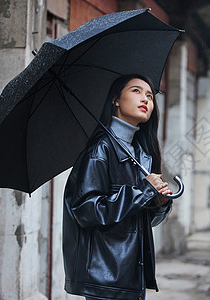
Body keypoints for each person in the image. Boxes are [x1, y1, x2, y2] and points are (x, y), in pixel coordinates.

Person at [62, 74, 173, 300]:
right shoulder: (100, 151)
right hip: (106, 278)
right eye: (136, 91)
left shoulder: (140, 154)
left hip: (131, 275)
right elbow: (87, 211)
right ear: (115, 100)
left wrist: (159, 202)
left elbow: (138, 221)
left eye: (150, 95)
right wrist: (143, 192)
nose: (145, 99)